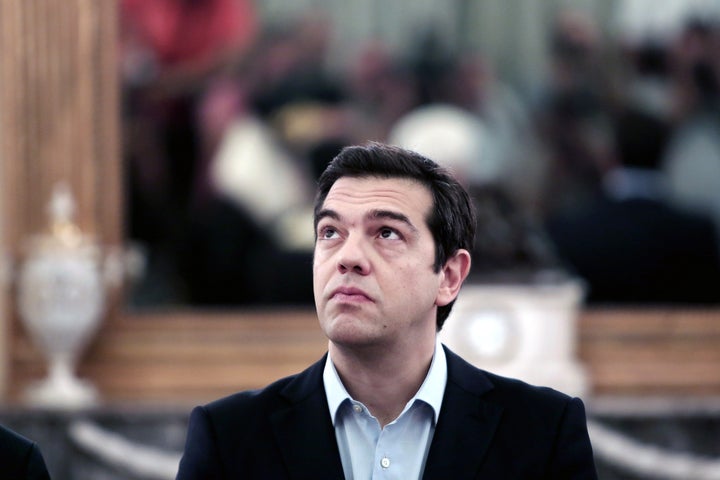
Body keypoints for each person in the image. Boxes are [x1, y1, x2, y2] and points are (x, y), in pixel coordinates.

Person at [176, 142, 598, 479]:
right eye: (331, 232)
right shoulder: (229, 437)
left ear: (449, 276)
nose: (348, 257)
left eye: (386, 233)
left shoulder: (542, 432)